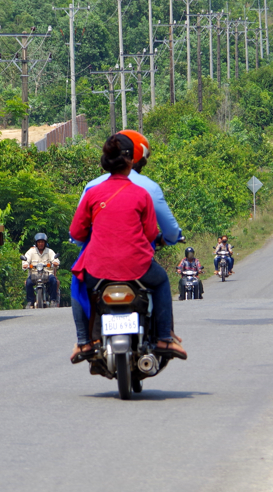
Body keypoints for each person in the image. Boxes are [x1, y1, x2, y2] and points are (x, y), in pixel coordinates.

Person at [68, 135, 186, 364]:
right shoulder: (143, 193)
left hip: (97, 267)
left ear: (105, 162)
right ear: (132, 161)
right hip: (138, 267)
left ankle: (83, 342)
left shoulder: (92, 192)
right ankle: (164, 338)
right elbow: (152, 234)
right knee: (161, 280)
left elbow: (76, 234)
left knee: (78, 283)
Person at [23, 233, 59, 308]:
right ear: (36, 243)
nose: (40, 244)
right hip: (34, 274)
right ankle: (30, 301)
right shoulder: (31, 251)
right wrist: (25, 264)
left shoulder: (50, 251)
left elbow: (55, 259)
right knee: (28, 282)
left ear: (45, 243)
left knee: (53, 281)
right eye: (39, 242)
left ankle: (53, 300)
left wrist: (55, 262)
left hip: (47, 274)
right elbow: (26, 259)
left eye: (42, 242)